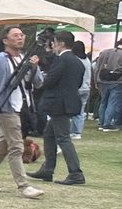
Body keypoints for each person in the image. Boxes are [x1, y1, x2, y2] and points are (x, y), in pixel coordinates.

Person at [0, 26, 44, 198]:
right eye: (15, 35)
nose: (20, 38)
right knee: (17, 147)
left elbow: (39, 83)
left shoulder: (27, 59)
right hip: (5, 108)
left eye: (21, 35)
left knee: (3, 147)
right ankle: (23, 185)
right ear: (6, 40)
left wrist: (35, 67)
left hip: (23, 108)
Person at [28, 30, 86, 186]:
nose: (52, 46)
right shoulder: (77, 61)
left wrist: (39, 75)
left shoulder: (62, 60)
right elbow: (78, 83)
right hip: (68, 102)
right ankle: (47, 168)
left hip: (58, 104)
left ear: (60, 43)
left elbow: (49, 81)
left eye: (54, 43)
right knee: (49, 135)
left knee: (63, 138)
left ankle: (75, 173)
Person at [96, 37, 122, 130]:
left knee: (103, 102)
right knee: (112, 103)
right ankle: (107, 124)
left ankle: (101, 122)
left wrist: (96, 80)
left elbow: (98, 67)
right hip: (117, 82)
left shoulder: (104, 52)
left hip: (102, 81)